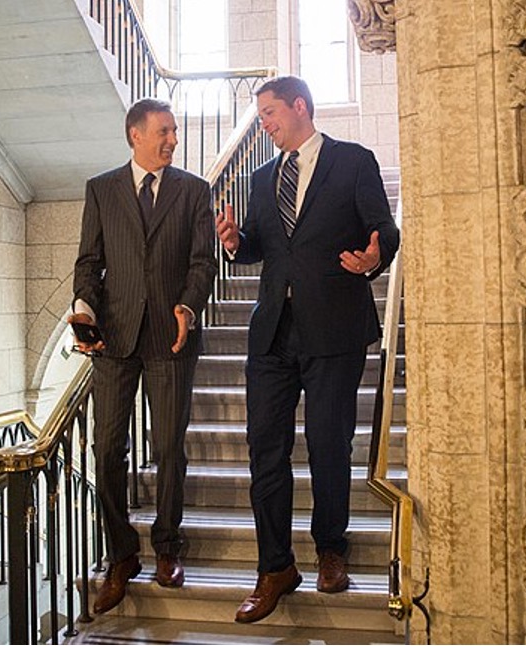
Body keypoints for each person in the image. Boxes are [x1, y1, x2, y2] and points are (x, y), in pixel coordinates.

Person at [215, 76, 400, 624]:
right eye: (261, 117)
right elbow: (261, 246)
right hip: (273, 332)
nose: (265, 124)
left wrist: (375, 258)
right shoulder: (261, 177)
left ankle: (331, 550)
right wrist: (235, 243)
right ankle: (275, 567)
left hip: (335, 329)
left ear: (300, 106)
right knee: (265, 450)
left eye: (270, 113)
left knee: (328, 444)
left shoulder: (354, 161)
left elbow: (384, 229)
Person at [71, 97, 216, 615]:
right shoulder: (101, 189)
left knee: (169, 447)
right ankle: (122, 553)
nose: (173, 139)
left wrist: (188, 306)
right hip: (114, 339)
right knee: (107, 449)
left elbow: (203, 262)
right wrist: (84, 310)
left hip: (171, 338)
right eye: (164, 131)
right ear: (136, 135)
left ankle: (168, 547)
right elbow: (89, 262)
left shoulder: (194, 190)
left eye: (174, 131)